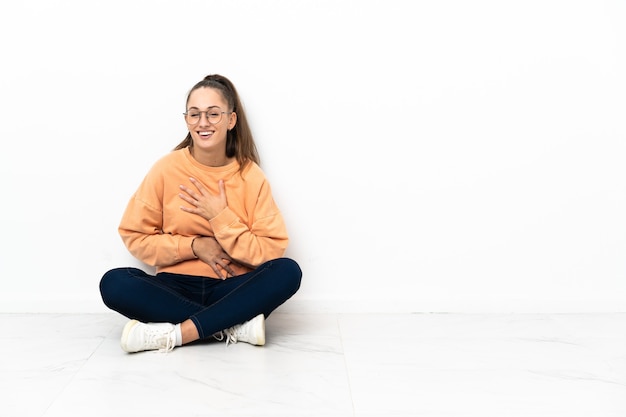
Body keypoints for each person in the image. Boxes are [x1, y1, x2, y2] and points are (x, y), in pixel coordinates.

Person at [99, 74, 302, 353]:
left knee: (288, 271)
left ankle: (179, 334)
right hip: (174, 288)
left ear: (231, 120)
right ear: (186, 120)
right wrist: (194, 246)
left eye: (213, 114)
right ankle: (230, 324)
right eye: (194, 114)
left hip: (231, 287)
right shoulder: (166, 169)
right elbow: (135, 235)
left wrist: (220, 217)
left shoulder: (250, 176)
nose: (203, 123)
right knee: (114, 282)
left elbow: (270, 250)